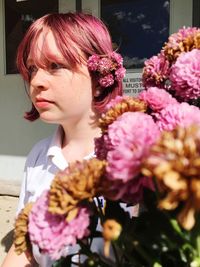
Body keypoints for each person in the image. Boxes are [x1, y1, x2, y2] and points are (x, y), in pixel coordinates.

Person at [1, 12, 123, 267]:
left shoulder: (132, 158)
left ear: (100, 79)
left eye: (55, 66)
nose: (36, 82)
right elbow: (25, 245)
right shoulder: (37, 157)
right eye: (32, 68)